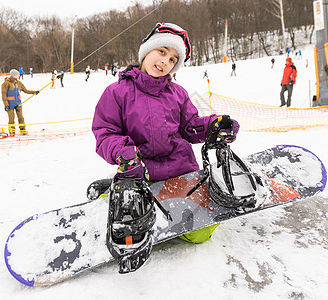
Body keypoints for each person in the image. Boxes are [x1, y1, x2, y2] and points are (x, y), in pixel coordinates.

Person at [92, 22, 239, 245]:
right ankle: (113, 190)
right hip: (140, 173)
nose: (165, 61)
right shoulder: (117, 92)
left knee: (201, 234)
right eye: (162, 52)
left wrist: (213, 126)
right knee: (113, 218)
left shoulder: (178, 93)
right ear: (146, 51)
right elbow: (106, 132)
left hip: (181, 172)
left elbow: (190, 127)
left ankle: (171, 207)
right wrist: (123, 153)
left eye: (172, 59)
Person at [1, 69, 39, 136]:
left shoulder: (19, 83)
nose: (19, 75)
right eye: (18, 74)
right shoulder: (6, 84)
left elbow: (26, 90)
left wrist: (34, 92)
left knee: (21, 117)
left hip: (18, 103)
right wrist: (6, 105)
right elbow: (3, 94)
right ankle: (12, 131)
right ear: (14, 75)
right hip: (10, 104)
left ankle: (22, 129)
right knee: (11, 118)